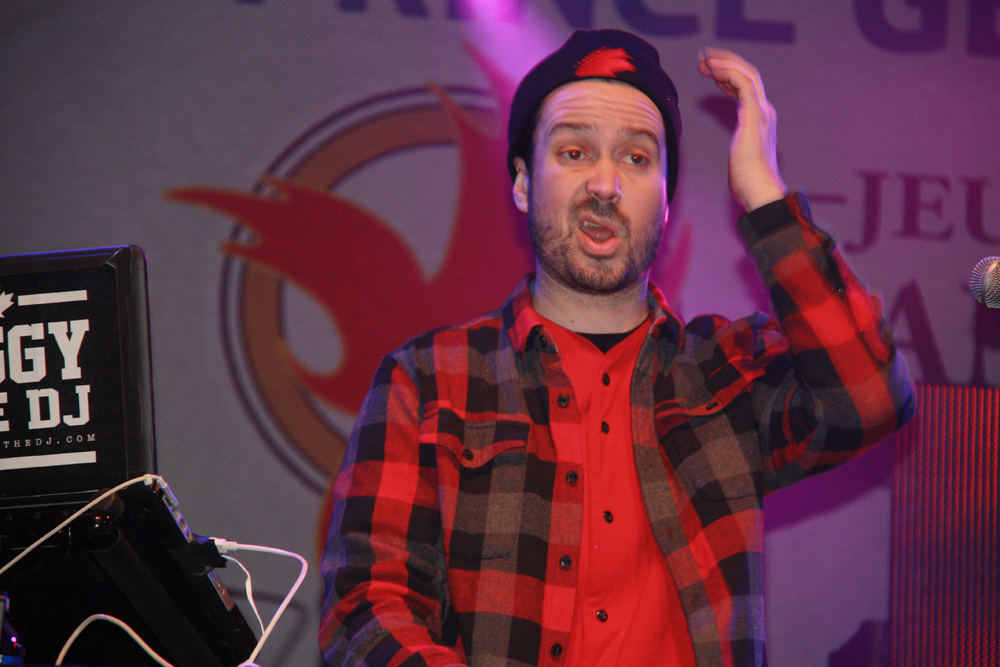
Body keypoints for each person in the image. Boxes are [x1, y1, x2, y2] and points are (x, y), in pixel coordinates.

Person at [319, 29, 914, 667]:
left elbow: (870, 397)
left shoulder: (728, 371)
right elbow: (366, 609)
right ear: (522, 183)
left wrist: (762, 194)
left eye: (636, 158)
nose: (605, 183)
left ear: (666, 202)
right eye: (574, 151)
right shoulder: (429, 380)